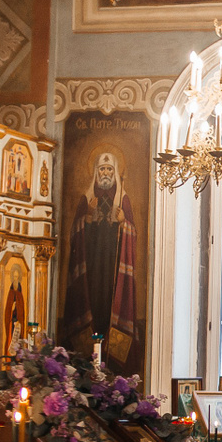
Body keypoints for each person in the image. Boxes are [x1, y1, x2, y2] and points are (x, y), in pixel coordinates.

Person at [61, 151, 140, 368]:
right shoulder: (87, 199)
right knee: (93, 300)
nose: (105, 173)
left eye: (109, 169)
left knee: (109, 301)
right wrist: (86, 217)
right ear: (96, 172)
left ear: (115, 172)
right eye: (102, 169)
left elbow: (133, 234)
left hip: (113, 266)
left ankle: (111, 355)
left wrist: (124, 222)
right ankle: (87, 351)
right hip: (92, 266)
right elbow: (74, 236)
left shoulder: (122, 198)